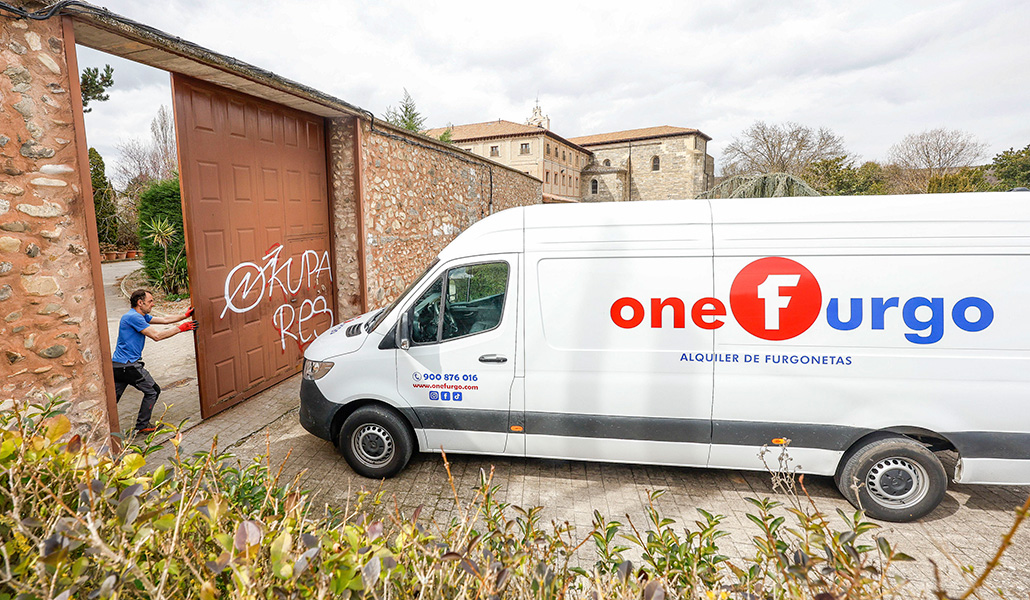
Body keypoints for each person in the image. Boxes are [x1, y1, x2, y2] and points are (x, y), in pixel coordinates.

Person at [112, 289, 197, 434]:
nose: (153, 304)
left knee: (112, 399)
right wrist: (181, 328)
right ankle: (142, 426)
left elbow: (164, 320)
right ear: (140, 302)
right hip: (129, 365)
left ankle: (101, 425)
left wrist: (184, 315)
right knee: (153, 391)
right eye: (150, 301)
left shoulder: (138, 316)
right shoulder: (134, 317)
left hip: (118, 365)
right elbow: (157, 336)